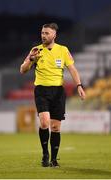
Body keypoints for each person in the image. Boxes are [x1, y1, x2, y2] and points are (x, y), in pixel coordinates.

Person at [20, 23, 86, 167]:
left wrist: (79, 85)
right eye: (42, 33)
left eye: (47, 33)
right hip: (41, 90)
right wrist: (31, 59)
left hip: (58, 92)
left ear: (54, 35)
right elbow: (23, 70)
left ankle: (54, 159)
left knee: (55, 127)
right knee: (44, 122)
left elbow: (72, 69)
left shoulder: (63, 50)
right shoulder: (35, 50)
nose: (43, 35)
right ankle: (45, 154)